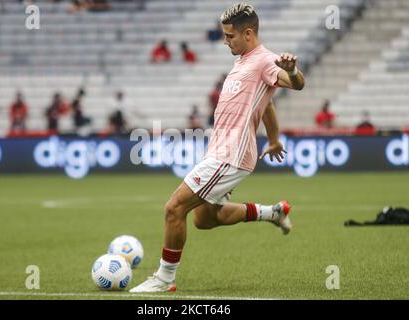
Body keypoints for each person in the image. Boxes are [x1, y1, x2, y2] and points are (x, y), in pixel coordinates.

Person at [130, 3, 305, 293]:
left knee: (174, 208)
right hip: (220, 151)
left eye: (229, 36)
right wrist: (273, 139)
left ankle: (164, 279)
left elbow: (297, 84)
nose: (225, 41)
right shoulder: (244, 63)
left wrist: (293, 71)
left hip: (231, 155)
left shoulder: (265, 61)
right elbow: (266, 104)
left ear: (248, 34)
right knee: (205, 219)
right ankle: (272, 213)